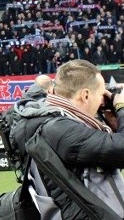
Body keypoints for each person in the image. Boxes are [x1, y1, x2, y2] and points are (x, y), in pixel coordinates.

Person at [10, 60, 124, 218]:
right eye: (101, 94)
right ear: (85, 96)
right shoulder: (61, 130)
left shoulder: (49, 118)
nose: (102, 102)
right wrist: (120, 107)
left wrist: (114, 124)